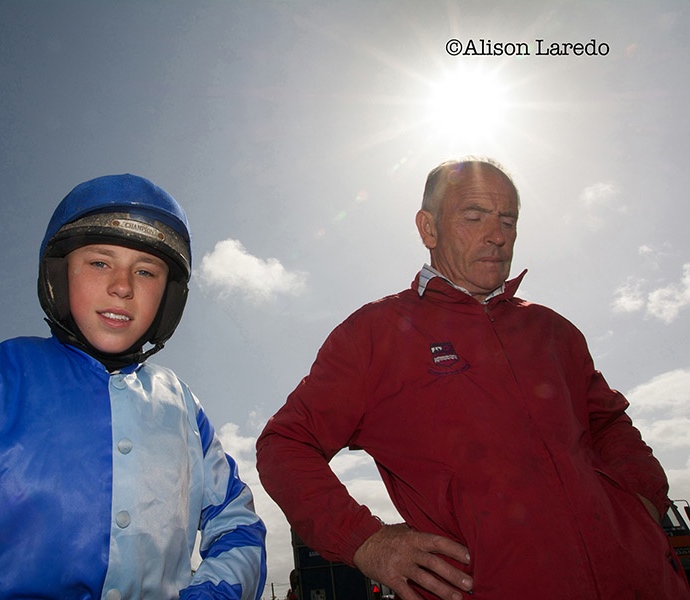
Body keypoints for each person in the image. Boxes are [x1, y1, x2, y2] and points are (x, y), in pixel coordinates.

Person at [256, 158, 690, 600]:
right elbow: (285, 444)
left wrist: (644, 498)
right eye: (474, 216)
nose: (498, 235)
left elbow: (608, 422)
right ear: (428, 229)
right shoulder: (374, 334)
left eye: (508, 219)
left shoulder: (553, 330)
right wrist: (367, 541)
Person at [0, 174, 267, 599]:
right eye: (100, 262)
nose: (122, 286)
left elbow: (239, 525)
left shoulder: (183, 407)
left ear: (169, 297)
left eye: (145, 271)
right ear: (59, 275)